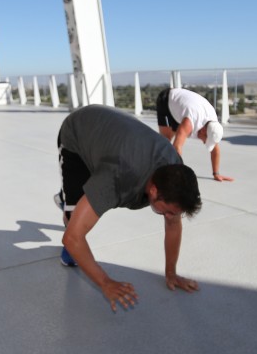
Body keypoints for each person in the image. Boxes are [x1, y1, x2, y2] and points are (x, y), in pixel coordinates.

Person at [55, 105, 202, 312]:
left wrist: (171, 273)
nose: (171, 217)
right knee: (73, 227)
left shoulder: (174, 167)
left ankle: (81, 197)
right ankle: (69, 201)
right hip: (78, 133)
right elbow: (72, 238)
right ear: (152, 190)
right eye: (167, 211)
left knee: (89, 198)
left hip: (113, 139)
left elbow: (173, 225)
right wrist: (105, 283)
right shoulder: (116, 179)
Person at [156, 87, 234, 182]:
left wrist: (216, 173)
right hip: (167, 100)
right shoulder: (190, 122)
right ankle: (157, 170)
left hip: (184, 108)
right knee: (165, 142)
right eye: (206, 140)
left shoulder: (213, 126)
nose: (205, 142)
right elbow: (177, 147)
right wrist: (179, 174)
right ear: (203, 131)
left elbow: (215, 150)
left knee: (172, 142)